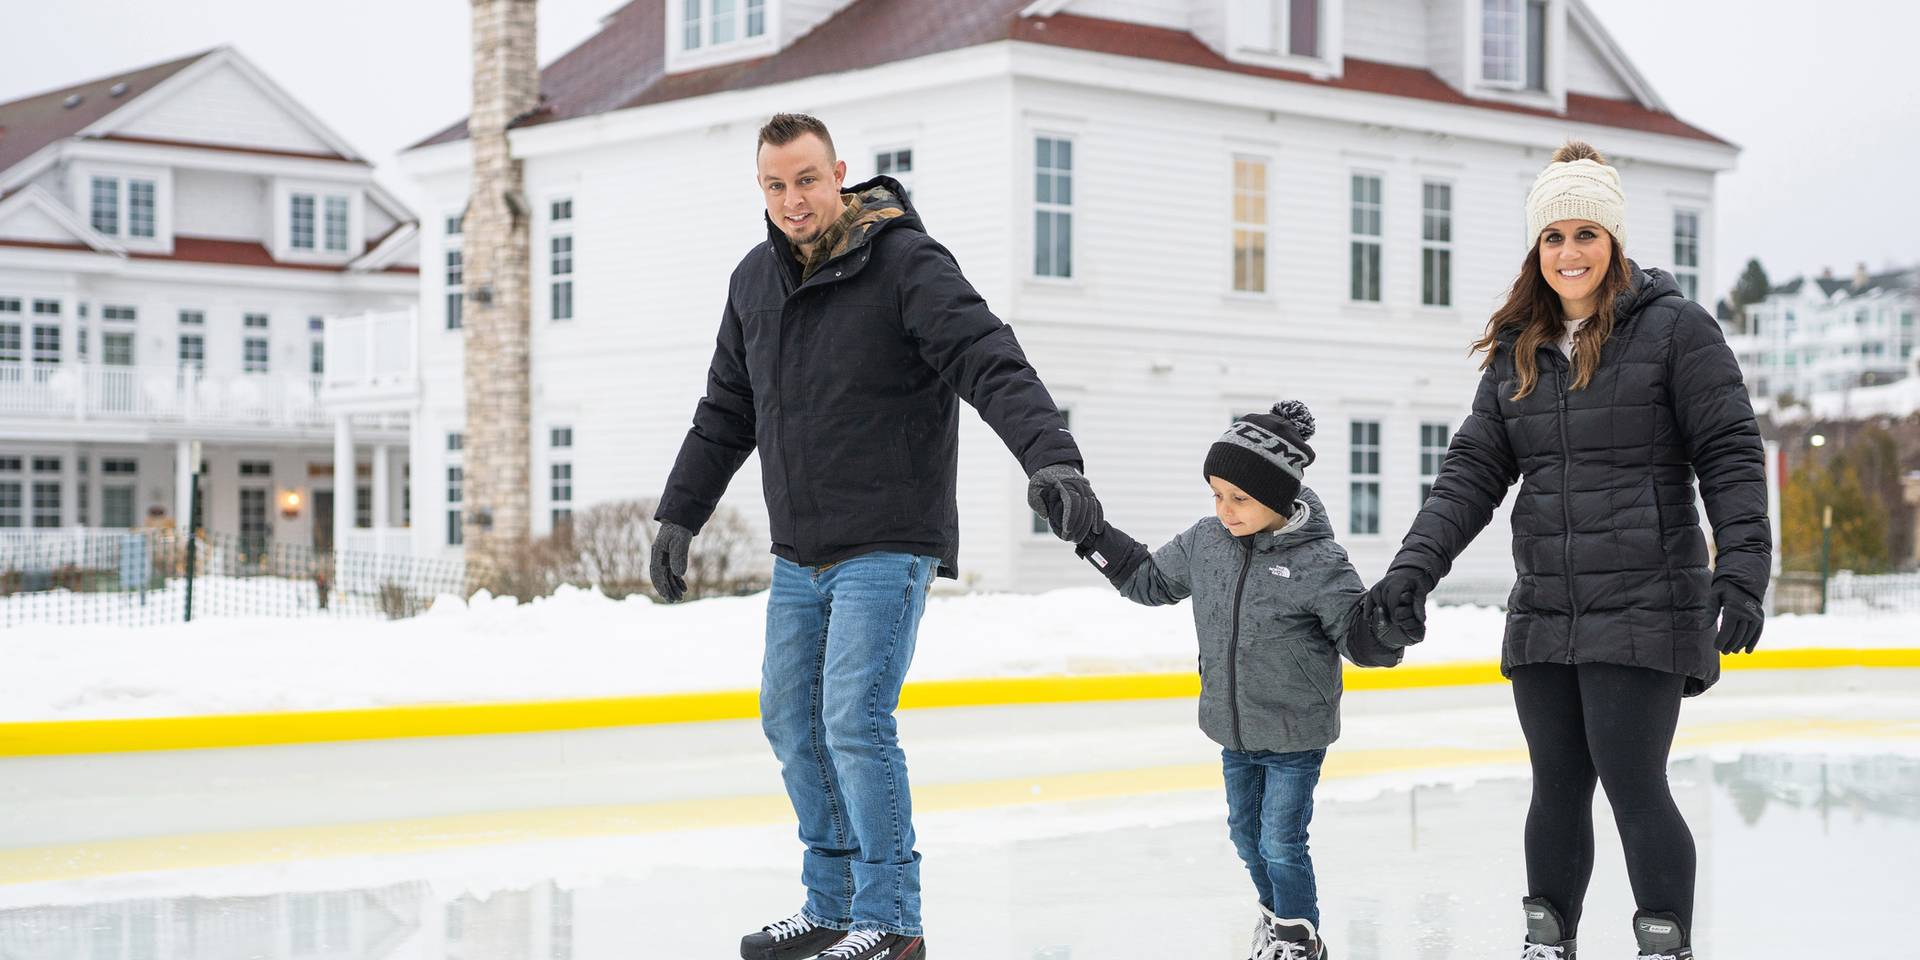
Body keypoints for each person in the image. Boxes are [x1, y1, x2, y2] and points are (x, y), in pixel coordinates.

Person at [650, 113, 1102, 960]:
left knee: (854, 719)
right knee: (791, 722)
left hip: (889, 537)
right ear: (761, 188)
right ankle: (832, 906)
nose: (793, 199)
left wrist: (1053, 460)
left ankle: (892, 920)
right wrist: (681, 513)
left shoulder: (905, 263)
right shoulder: (753, 282)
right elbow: (726, 410)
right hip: (799, 550)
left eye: (807, 179)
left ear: (840, 174)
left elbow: (990, 359)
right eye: (776, 185)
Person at [1366, 141, 1770, 959]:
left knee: (1633, 783)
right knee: (1554, 787)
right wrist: (1414, 569)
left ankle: (1664, 945)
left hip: (1647, 601)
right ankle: (1548, 942)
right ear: (1536, 249)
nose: (1569, 252)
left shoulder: (1675, 330)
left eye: (1586, 233)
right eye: (1553, 236)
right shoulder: (1521, 346)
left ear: (1614, 242)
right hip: (1549, 605)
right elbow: (1471, 473)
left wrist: (1742, 571)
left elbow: (1729, 451)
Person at [1072, 401, 1409, 960]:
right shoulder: (1207, 542)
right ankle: (1277, 922)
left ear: (1277, 497)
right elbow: (1147, 581)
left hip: (1296, 733)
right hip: (1233, 728)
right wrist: (1092, 535)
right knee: (1247, 838)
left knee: (1281, 841)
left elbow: (1358, 639)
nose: (1224, 510)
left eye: (1239, 498)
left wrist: (1389, 630)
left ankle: (1299, 939)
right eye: (1217, 495)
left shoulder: (1320, 560)